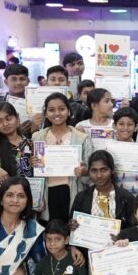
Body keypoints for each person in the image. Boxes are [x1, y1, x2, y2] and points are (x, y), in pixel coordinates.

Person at [70, 150, 136, 275]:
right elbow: (71, 225)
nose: (99, 175)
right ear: (89, 172)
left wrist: (122, 237)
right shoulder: (82, 197)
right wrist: (73, 244)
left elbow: (135, 229)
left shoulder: (126, 198)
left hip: (115, 260)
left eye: (104, 170)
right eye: (94, 170)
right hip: (90, 260)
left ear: (112, 171)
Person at [32, 93, 89, 222]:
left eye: (61, 109)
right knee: (49, 228)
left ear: (69, 112)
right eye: (51, 110)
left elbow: (90, 171)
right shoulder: (37, 137)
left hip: (72, 191)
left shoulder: (81, 138)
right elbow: (33, 173)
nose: (57, 113)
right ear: (46, 114)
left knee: (70, 228)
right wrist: (32, 163)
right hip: (47, 193)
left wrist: (84, 171)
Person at [0, 102, 35, 200]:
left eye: (8, 119)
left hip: (28, 199)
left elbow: (38, 175)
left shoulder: (30, 143)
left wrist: (35, 165)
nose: (5, 124)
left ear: (17, 117)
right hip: (4, 203)